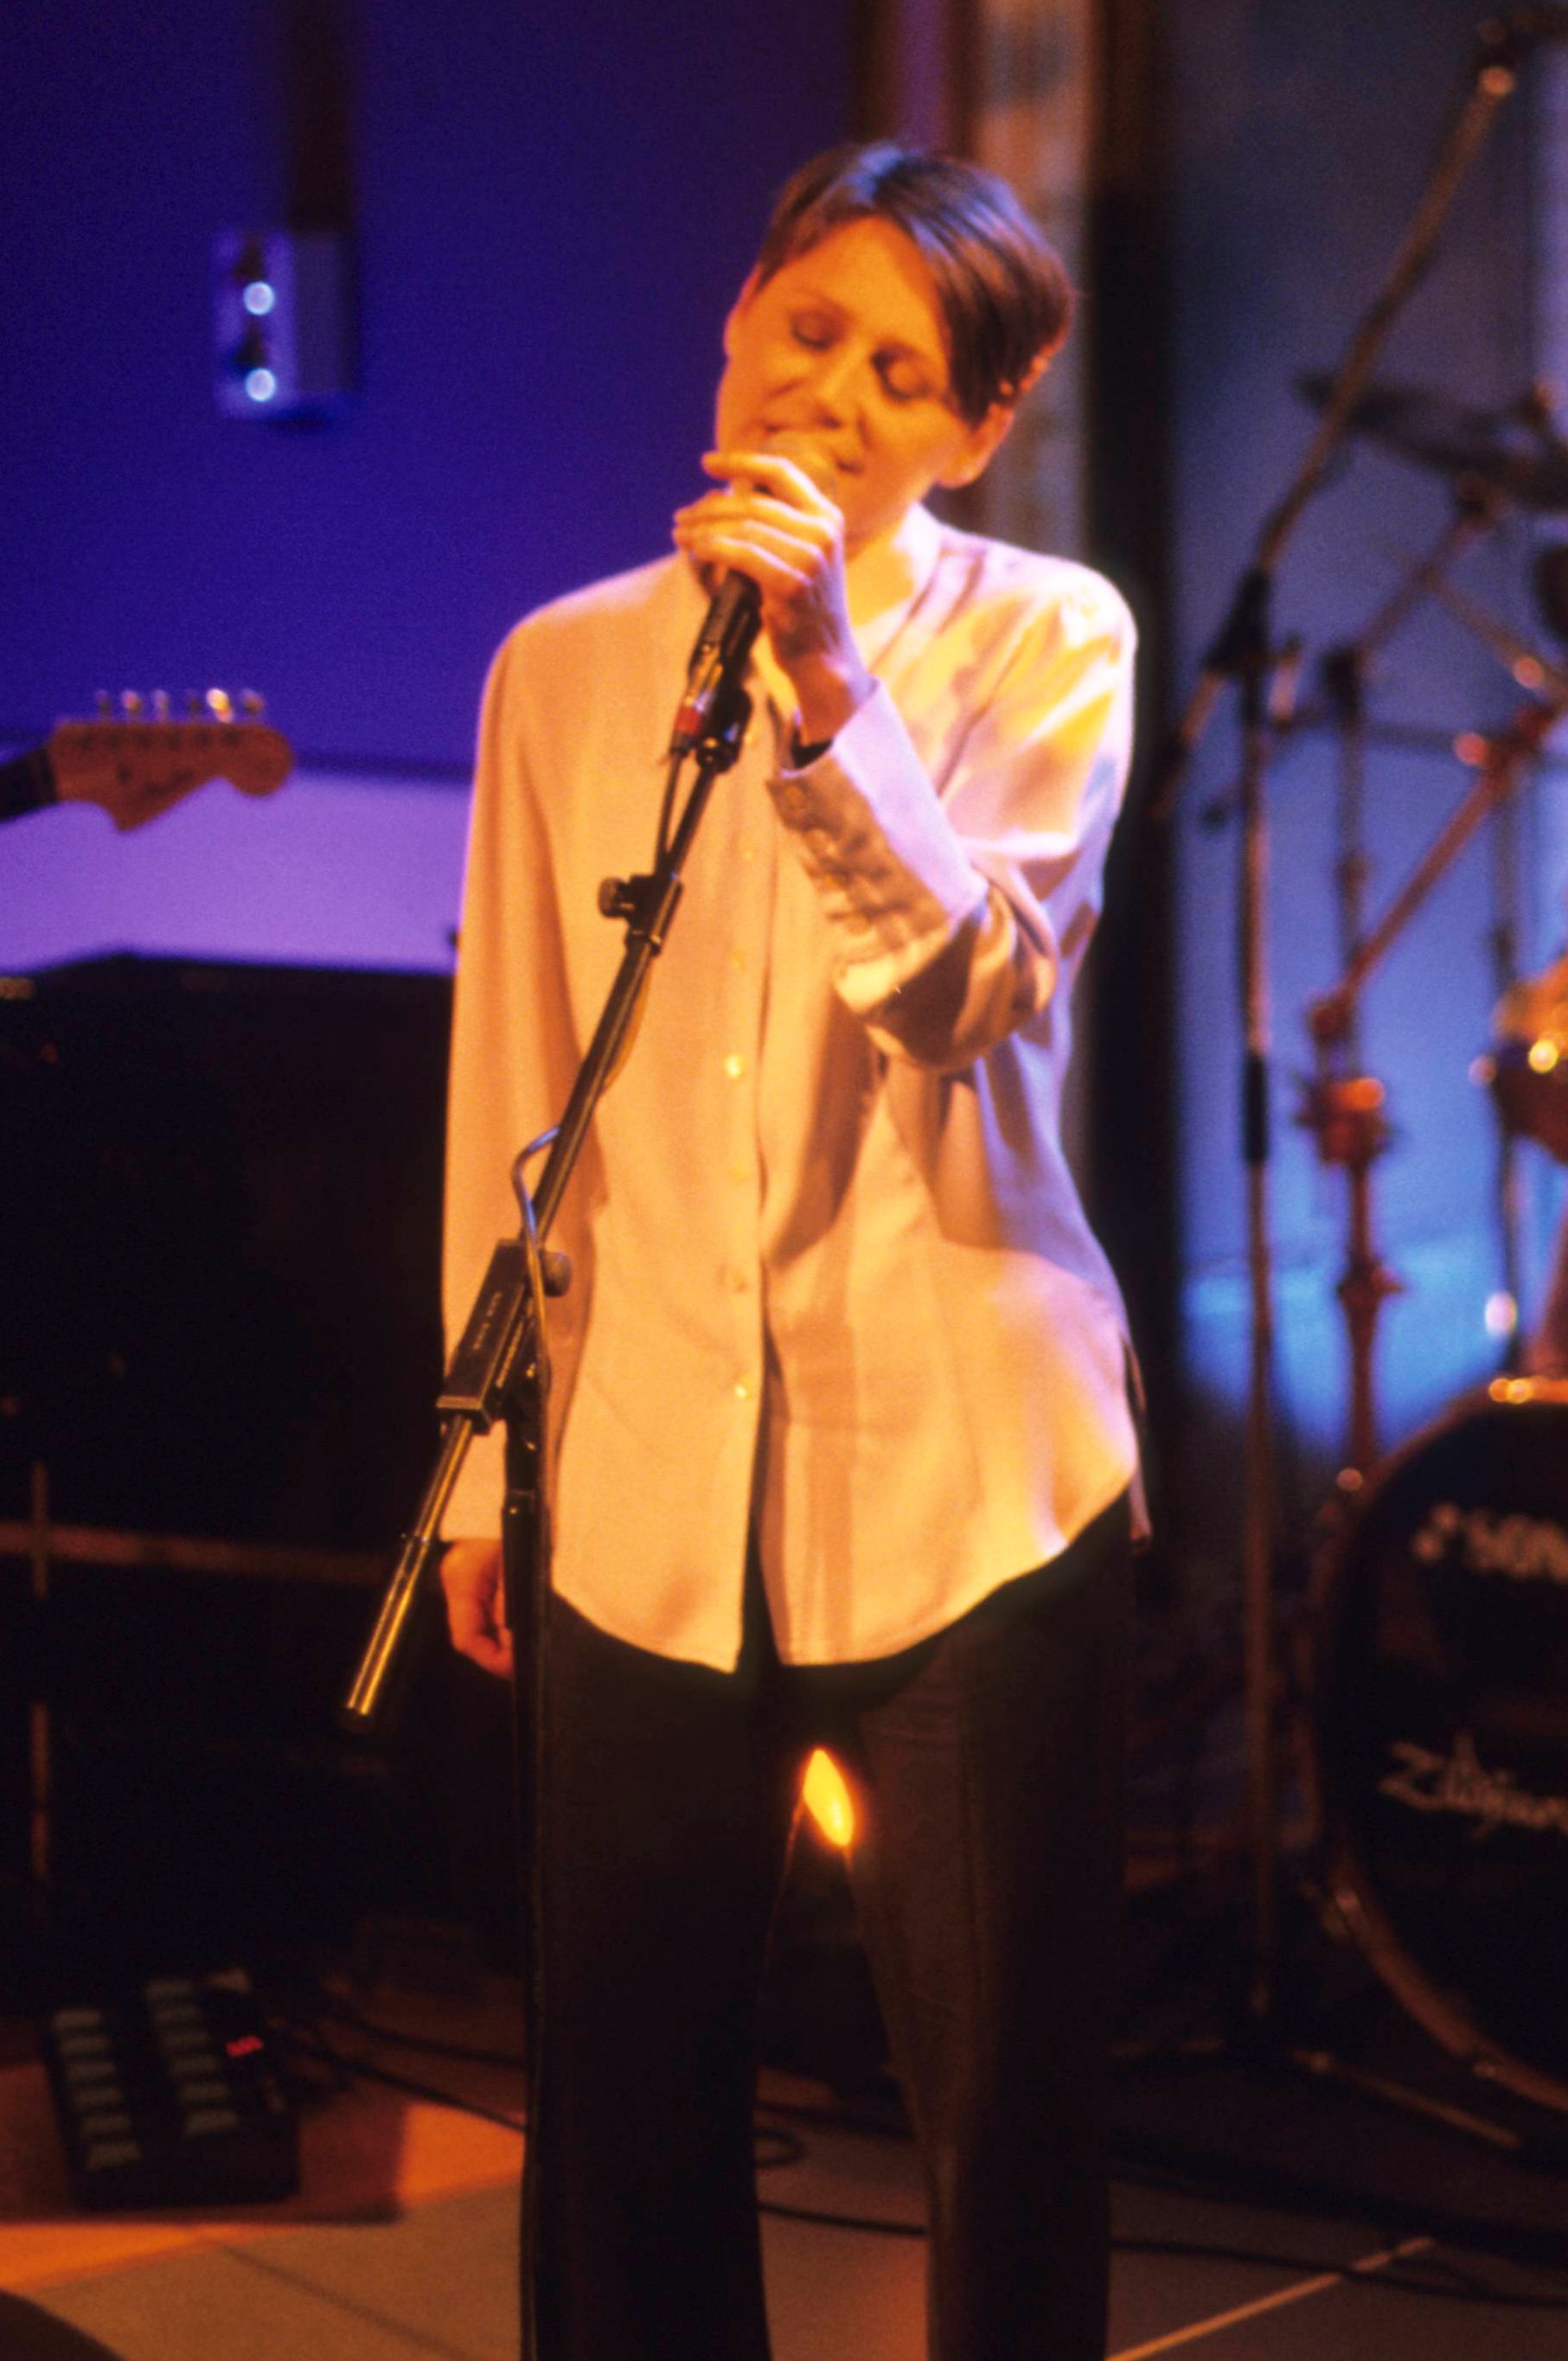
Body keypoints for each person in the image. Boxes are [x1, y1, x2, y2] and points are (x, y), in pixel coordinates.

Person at [432, 142, 1136, 2359]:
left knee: (999, 2108)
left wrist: (827, 686)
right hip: (641, 1477)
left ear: (976, 430)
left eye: (903, 374)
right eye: (807, 330)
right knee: (623, 2106)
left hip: (965, 1476)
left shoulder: (1047, 640)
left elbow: (961, 999)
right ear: (733, 319)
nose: (834, 394)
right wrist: (478, 1458)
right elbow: (514, 1085)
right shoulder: (559, 668)